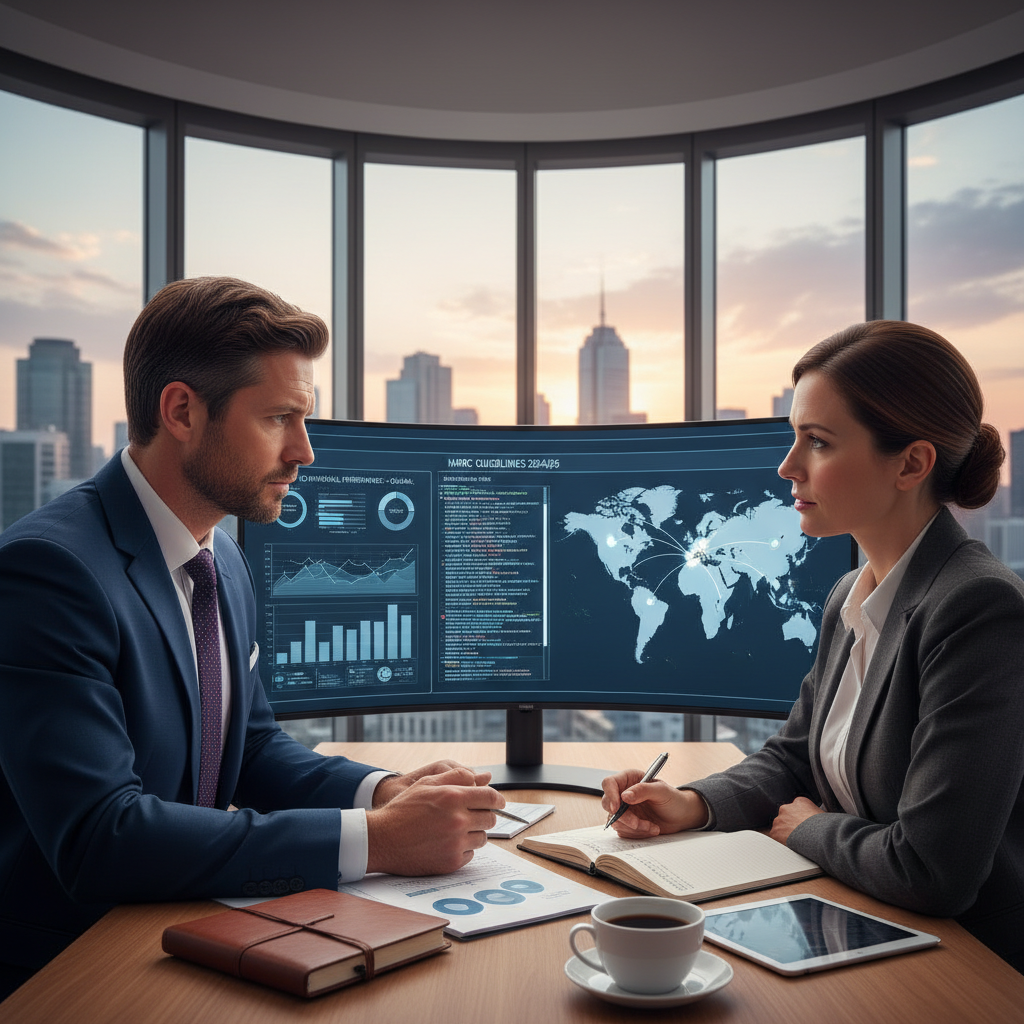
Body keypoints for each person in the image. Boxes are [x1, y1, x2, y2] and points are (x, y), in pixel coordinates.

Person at [0, 276, 504, 998]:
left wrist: (383, 791)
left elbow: (250, 747)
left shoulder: (221, 555)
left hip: (191, 928)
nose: (306, 450)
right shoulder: (51, 572)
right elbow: (98, 838)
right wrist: (380, 841)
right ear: (181, 411)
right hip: (70, 969)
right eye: (279, 418)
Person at [601, 320, 1024, 974]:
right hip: (859, 921)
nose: (787, 466)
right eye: (793, 436)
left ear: (911, 463)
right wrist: (694, 803)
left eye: (818, 442)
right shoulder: (851, 593)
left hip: (963, 966)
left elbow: (932, 870)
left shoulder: (977, 608)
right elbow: (795, 760)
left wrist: (807, 830)